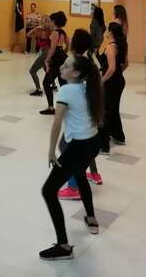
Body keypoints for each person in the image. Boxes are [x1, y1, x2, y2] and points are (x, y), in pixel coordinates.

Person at [40, 54, 104, 261]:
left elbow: (57, 122)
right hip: (93, 143)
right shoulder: (87, 87)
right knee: (80, 174)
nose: (62, 67)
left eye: (66, 66)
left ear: (75, 73)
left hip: (79, 147)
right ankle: (91, 218)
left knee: (48, 191)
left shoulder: (67, 90)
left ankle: (63, 246)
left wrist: (51, 151)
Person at [58, 29, 103, 200]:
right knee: (84, 144)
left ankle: (73, 186)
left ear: (73, 43)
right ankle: (94, 174)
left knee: (67, 147)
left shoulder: (76, 63)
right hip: (89, 112)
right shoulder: (90, 59)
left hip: (79, 115)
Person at [100, 21, 128, 155]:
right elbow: (126, 64)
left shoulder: (111, 47)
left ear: (111, 32)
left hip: (111, 82)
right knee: (113, 109)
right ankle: (118, 136)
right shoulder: (120, 45)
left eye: (107, 29)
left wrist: (102, 80)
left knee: (105, 111)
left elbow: (111, 68)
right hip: (118, 81)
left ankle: (104, 146)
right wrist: (118, 74)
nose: (105, 31)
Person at [39, 11, 69, 115]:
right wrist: (63, 53)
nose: (50, 23)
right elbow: (68, 45)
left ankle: (51, 108)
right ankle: (65, 108)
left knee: (46, 82)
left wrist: (47, 59)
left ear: (54, 21)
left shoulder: (55, 33)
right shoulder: (63, 32)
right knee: (63, 84)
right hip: (62, 57)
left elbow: (52, 49)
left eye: (50, 21)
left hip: (56, 60)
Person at [27, 16, 52, 96]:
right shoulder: (50, 31)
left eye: (47, 21)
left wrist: (35, 29)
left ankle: (38, 90)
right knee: (46, 68)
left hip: (45, 53)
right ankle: (54, 85)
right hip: (49, 53)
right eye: (45, 21)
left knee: (32, 71)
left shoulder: (41, 30)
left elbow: (28, 34)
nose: (46, 23)